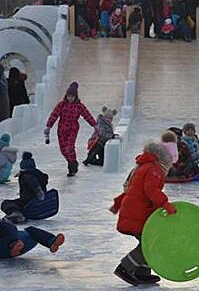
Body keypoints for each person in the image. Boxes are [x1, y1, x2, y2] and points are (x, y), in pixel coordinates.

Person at [110, 141, 176, 286]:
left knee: (149, 242)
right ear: (163, 160)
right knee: (150, 244)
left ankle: (142, 272)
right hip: (138, 214)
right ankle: (124, 268)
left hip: (136, 212)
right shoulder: (154, 169)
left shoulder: (144, 166)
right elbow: (151, 190)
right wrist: (165, 204)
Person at [44, 82, 97, 176]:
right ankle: (72, 161)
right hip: (61, 129)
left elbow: (87, 115)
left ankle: (72, 167)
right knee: (63, 150)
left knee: (69, 148)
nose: (70, 98)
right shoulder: (61, 105)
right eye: (69, 96)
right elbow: (54, 115)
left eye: (72, 96)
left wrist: (94, 125)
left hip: (73, 129)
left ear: (75, 96)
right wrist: (49, 126)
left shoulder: (79, 106)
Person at [0, 218, 65, 259]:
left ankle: (51, 242)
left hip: (17, 245)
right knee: (7, 225)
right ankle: (13, 243)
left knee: (31, 231)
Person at [0, 152, 48, 224]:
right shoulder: (38, 173)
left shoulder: (27, 176)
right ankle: (18, 213)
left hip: (29, 202)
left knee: (6, 203)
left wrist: (39, 192)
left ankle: (17, 213)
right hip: (35, 202)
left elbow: (34, 184)